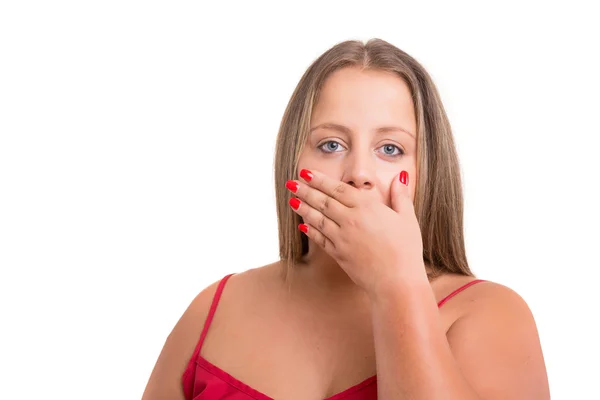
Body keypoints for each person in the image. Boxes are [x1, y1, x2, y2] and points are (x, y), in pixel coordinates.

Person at [142, 38, 550, 399]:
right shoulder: (213, 309)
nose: (359, 173)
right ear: (293, 161)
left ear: (429, 170)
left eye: (390, 149)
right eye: (331, 143)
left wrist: (397, 284)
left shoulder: (492, 314)